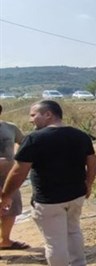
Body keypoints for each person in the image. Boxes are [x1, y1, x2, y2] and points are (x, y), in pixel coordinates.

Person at [1, 100, 96, 266]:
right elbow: (92, 162)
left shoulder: (34, 139)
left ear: (48, 114)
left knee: (55, 241)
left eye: (33, 115)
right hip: (76, 195)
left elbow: (18, 172)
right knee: (73, 231)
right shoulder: (81, 135)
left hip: (48, 200)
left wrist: (6, 195)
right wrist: (88, 184)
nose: (31, 119)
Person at [0, 104, 28, 251]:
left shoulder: (10, 128)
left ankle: (5, 241)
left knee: (11, 208)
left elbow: (25, 143)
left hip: (8, 177)